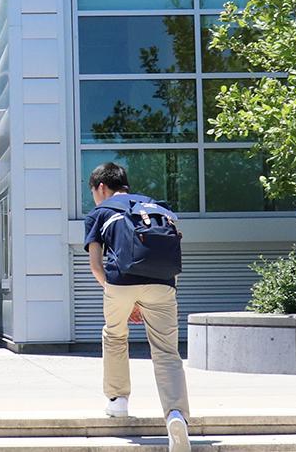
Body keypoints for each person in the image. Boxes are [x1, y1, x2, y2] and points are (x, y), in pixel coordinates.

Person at [83, 162, 191, 451]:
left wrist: (120, 295)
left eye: (92, 191)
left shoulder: (101, 212)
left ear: (101, 187)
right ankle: (176, 414)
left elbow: (95, 266)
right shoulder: (157, 207)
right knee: (167, 351)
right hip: (163, 282)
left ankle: (118, 401)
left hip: (120, 281)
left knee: (115, 334)